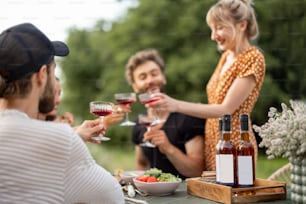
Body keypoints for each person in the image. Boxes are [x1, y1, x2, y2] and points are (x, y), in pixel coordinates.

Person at [0, 23, 124, 203]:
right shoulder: (61, 139)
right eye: (53, 70)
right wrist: (69, 137)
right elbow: (112, 197)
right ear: (42, 75)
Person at [146, 0, 266, 171]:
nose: (213, 35)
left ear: (242, 25)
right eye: (212, 28)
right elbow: (212, 105)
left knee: (231, 194)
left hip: (236, 145)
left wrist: (176, 105)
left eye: (219, 27)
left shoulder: (253, 58)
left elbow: (225, 110)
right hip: (214, 142)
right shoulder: (226, 57)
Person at [125, 49, 205, 179]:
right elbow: (141, 164)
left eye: (154, 73)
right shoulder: (139, 123)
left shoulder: (189, 117)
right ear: (135, 86)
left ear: (163, 77)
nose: (150, 80)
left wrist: (168, 148)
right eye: (142, 77)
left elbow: (197, 171)